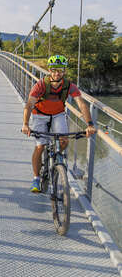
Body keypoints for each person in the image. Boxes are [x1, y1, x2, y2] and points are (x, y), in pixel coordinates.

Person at [22, 54, 96, 192]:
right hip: (40, 116)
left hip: (58, 114)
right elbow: (29, 104)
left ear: (64, 71)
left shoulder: (69, 86)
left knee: (64, 141)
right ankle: (36, 179)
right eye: (54, 70)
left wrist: (90, 124)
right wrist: (25, 124)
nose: (57, 73)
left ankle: (55, 158)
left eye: (60, 70)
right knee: (40, 146)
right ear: (49, 70)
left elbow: (81, 104)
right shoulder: (41, 85)